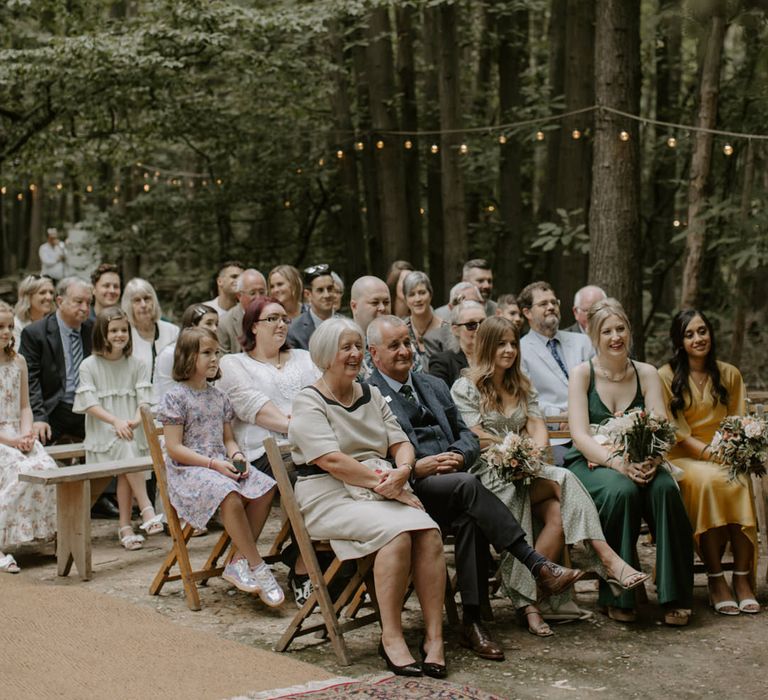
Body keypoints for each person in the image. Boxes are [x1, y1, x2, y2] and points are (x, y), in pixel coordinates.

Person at [367, 316, 586, 658]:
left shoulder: (433, 385)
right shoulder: (369, 394)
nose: (404, 351)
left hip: (456, 483)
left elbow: (468, 435)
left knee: (470, 516)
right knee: (470, 487)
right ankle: (536, 564)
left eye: (407, 343)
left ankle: (471, 622)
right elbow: (372, 453)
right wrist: (414, 468)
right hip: (410, 492)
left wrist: (458, 453)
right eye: (393, 345)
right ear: (374, 353)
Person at [452, 316, 648, 636]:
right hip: (488, 473)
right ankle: (606, 561)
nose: (509, 350)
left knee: (559, 496)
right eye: (501, 344)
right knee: (547, 487)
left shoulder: (521, 382)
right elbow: (477, 437)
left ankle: (531, 598)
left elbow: (536, 426)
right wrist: (513, 452)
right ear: (486, 346)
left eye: (513, 343)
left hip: (525, 466)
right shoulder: (465, 387)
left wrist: (532, 454)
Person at [289, 317, 446, 677]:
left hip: (382, 485)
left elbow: (401, 442)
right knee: (397, 535)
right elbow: (330, 460)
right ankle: (392, 637)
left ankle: (434, 639)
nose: (355, 354)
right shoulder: (308, 401)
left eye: (358, 346)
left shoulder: (371, 394)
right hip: (329, 496)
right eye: (346, 347)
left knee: (429, 532)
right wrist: (385, 482)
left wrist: (403, 472)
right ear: (326, 355)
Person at [564, 298, 694, 626]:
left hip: (642, 460)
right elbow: (580, 435)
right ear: (594, 336)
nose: (615, 336)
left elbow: (660, 425)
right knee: (621, 491)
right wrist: (617, 463)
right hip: (594, 463)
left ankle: (675, 594)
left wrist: (653, 459)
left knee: (664, 487)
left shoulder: (647, 373)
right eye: (606, 331)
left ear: (629, 331)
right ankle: (618, 593)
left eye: (620, 328)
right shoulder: (582, 375)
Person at [158, 327, 283, 606]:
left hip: (219, 464)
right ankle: (257, 565)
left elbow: (228, 438)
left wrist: (238, 456)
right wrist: (214, 464)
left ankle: (237, 561)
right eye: (207, 353)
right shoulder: (175, 397)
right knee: (229, 492)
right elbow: (175, 448)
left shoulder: (220, 397)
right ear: (187, 357)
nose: (215, 359)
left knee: (265, 487)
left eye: (216, 352)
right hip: (189, 470)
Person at [218, 296, 320, 605]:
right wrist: (308, 428)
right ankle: (302, 568)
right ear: (252, 326)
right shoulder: (234, 363)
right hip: (261, 453)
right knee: (312, 478)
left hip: (309, 445)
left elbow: (321, 397)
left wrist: (312, 429)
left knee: (325, 479)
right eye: (272, 319)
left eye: (284, 319)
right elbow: (255, 410)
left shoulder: (303, 358)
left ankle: (309, 559)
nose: (280, 324)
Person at [658, 310, 759, 615]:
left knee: (738, 480)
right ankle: (716, 579)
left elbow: (739, 422)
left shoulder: (729, 374)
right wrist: (712, 455)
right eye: (689, 334)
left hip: (726, 454)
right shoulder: (666, 376)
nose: (698, 339)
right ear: (679, 341)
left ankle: (742, 579)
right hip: (685, 458)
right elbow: (676, 434)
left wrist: (730, 452)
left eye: (702, 331)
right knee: (711, 481)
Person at [73, 307, 162, 550]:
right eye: (113, 330)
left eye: (124, 330)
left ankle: (125, 526)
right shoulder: (89, 365)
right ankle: (146, 509)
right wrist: (116, 421)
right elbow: (89, 404)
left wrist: (134, 420)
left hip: (131, 429)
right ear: (102, 333)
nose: (120, 335)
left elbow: (144, 400)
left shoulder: (138, 364)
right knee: (126, 444)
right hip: (103, 430)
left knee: (127, 451)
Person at [0, 301, 57, 573]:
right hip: (1, 438)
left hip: (18, 431)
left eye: (10, 326)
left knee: (47, 466)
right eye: (0, 326)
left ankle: (48, 531)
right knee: (18, 469)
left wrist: (27, 433)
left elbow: (24, 406)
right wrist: (11, 442)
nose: (6, 332)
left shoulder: (18, 361)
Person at [518, 281, 594, 464]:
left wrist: (578, 411)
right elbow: (527, 399)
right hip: (554, 436)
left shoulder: (583, 342)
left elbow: (598, 384)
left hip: (592, 428)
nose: (551, 307)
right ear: (527, 312)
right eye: (543, 304)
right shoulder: (520, 350)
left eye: (554, 302)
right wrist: (560, 414)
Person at [19, 276, 93, 444]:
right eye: (79, 302)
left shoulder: (93, 329)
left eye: (89, 303)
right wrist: (38, 417)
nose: (85, 308)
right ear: (60, 302)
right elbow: (30, 379)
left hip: (88, 409)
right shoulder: (35, 333)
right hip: (53, 409)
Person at [155, 303, 219, 404]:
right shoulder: (170, 353)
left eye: (216, 324)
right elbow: (166, 393)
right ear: (192, 325)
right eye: (209, 323)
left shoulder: (214, 352)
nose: (215, 328)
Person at [121, 278, 179, 385]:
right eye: (137, 300)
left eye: (147, 299)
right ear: (129, 305)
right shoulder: (125, 336)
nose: (143, 305)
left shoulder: (173, 331)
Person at [429, 301, 485, 388]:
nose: (479, 329)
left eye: (483, 323)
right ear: (455, 330)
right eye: (471, 325)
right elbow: (439, 398)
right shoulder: (442, 362)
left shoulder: (496, 357)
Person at [286, 264, 336, 351]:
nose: (327, 295)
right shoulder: (294, 330)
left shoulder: (347, 324)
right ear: (308, 295)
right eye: (320, 290)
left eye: (330, 288)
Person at [218, 269, 267, 354]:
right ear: (239, 296)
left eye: (262, 292)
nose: (258, 298)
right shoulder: (224, 323)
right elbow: (223, 361)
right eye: (252, 293)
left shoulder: (275, 317)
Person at [403, 271, 447, 367]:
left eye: (422, 293)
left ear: (430, 295)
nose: (417, 299)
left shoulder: (446, 330)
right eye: (411, 294)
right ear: (405, 299)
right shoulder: (401, 329)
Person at [13, 274, 55, 348]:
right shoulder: (16, 325)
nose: (49, 297)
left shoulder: (55, 321)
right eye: (42, 292)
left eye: (51, 292)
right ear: (28, 297)